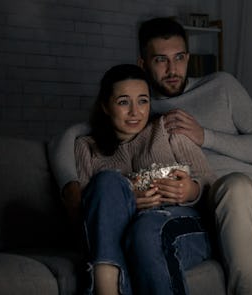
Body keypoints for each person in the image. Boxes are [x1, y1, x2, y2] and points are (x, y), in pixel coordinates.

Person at [49, 17, 252, 294]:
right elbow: (73, 135)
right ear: (143, 64)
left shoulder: (222, 86)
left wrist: (206, 136)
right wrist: (71, 185)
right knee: (235, 185)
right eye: (160, 60)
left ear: (189, 57)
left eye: (180, 58)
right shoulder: (144, 108)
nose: (172, 70)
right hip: (222, 196)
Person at [67, 63, 215, 295]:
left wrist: (191, 190)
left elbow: (210, 182)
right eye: (124, 102)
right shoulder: (87, 147)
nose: (136, 112)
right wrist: (126, 203)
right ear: (106, 106)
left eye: (143, 101)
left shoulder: (167, 129)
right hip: (124, 231)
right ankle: (107, 285)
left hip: (181, 223)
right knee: (107, 182)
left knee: (146, 231)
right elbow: (90, 214)